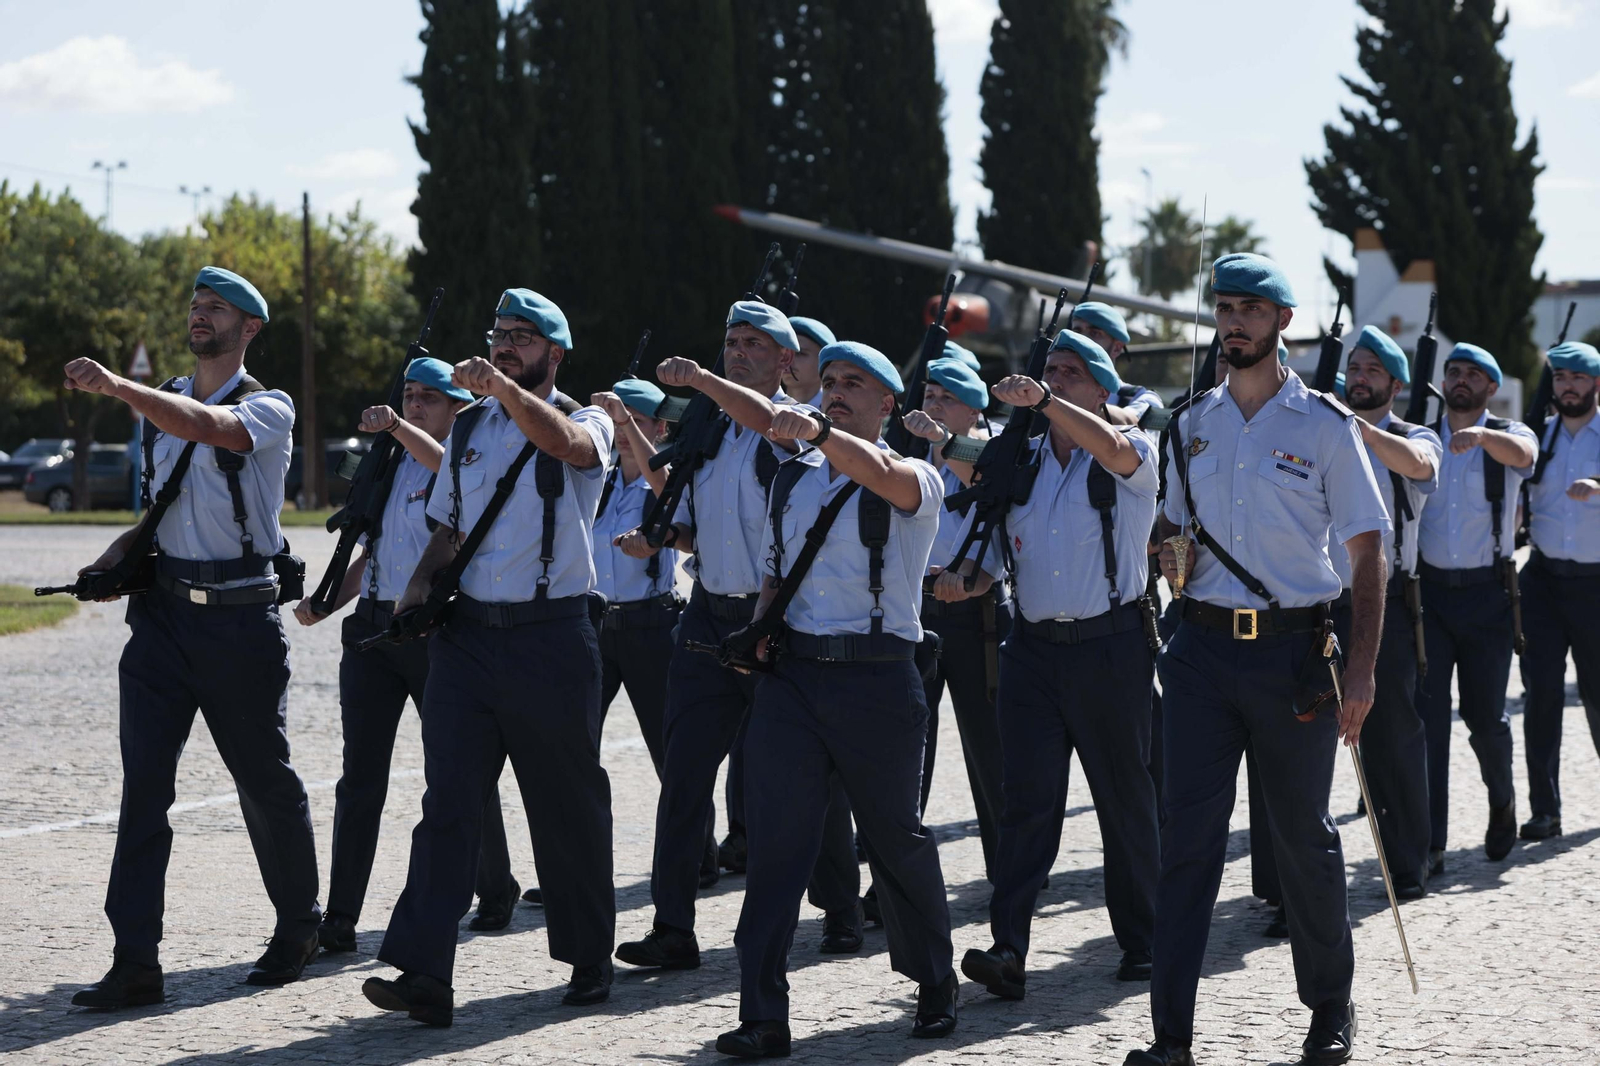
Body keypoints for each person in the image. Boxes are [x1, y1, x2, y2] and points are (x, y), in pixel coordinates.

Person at [1126, 253, 1389, 1066]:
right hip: (1201, 652)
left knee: (1303, 840)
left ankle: (1330, 1013)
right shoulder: (1188, 423)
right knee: (1187, 844)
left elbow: (1368, 557)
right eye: (1224, 308)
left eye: (1249, 308)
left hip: (1293, 658)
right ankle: (1170, 1039)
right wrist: (1165, 551)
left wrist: (1364, 672)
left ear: (1281, 321)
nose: (1232, 321)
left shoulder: (1325, 426)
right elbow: (1163, 532)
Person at [67, 267, 323, 1006]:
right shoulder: (164, 402)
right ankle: (135, 960)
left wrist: (120, 386)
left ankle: (298, 923)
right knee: (145, 788)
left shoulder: (267, 406)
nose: (199, 314)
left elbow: (210, 430)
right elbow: (160, 510)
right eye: (196, 305)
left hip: (240, 621)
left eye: (217, 308)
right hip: (163, 623)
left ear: (250, 328)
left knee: (262, 779)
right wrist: (114, 560)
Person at [361, 288, 616, 1025]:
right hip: (468, 639)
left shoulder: (587, 419)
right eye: (499, 333)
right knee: (447, 807)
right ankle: (424, 974)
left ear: (554, 354)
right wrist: (413, 596)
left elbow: (566, 448)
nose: (505, 345)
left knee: (566, 805)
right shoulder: (469, 426)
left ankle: (588, 955)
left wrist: (503, 386)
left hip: (552, 636)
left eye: (522, 337)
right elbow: (447, 527)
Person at [716, 341, 958, 1057]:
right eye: (828, 383)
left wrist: (822, 434)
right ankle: (763, 1014)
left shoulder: (916, 475)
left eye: (855, 383)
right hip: (794, 680)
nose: (836, 392)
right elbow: (773, 572)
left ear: (889, 404)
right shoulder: (792, 482)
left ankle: (935, 981)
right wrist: (759, 633)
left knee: (895, 839)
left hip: (877, 679)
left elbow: (879, 472)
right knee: (776, 848)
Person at [612, 302, 861, 973]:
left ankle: (842, 908)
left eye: (755, 343)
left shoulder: (789, 425)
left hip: (774, 623)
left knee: (802, 776)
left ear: (786, 362)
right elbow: (692, 521)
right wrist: (660, 533)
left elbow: (757, 415)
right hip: (707, 614)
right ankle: (673, 926)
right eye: (730, 341)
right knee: (684, 774)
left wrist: (699, 380)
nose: (738, 351)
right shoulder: (710, 426)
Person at [292, 357, 524, 947]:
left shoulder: (460, 464)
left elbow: (440, 463)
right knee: (359, 777)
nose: (416, 404)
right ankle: (341, 916)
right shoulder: (389, 462)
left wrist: (398, 425)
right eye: (410, 395)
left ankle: (495, 887)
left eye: (429, 398)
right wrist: (328, 601)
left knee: (456, 770)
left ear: (457, 409)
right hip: (372, 633)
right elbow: (371, 557)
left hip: (430, 633)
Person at [958, 329, 1162, 1000]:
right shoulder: (1018, 457)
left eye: (1072, 373)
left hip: (1112, 648)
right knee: (1027, 807)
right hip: (1033, 653)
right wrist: (963, 581)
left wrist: (1047, 400)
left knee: (1123, 801)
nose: (1056, 380)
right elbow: (990, 554)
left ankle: (1143, 940)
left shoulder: (1132, 450)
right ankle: (1008, 946)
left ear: (1103, 391)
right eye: (1050, 370)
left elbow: (1116, 448)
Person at [1414, 343, 1538, 875]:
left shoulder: (1511, 434)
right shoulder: (1420, 439)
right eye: (1453, 372)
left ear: (1491, 387)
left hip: (1489, 597)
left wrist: (1484, 437)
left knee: (1485, 717)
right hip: (1432, 598)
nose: (1460, 380)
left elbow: (1526, 459)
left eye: (1473, 374)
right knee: (1429, 719)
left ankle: (1503, 797)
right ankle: (1431, 842)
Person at [1333, 326, 1440, 897]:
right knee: (1285, 737)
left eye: (1373, 369)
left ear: (1395, 383)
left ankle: (1405, 865)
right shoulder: (1327, 428)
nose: (1359, 375)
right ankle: (1282, 890)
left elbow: (1419, 463)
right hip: (1318, 602)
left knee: (1392, 736)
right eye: (1354, 365)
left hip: (1387, 604)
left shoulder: (1409, 436)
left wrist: (1361, 431)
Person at [898, 356, 1009, 883]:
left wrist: (942, 438)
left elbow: (986, 483)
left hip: (976, 618)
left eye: (946, 398)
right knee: (907, 747)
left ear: (972, 409)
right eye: (929, 395)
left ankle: (1005, 870)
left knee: (990, 752)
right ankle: (894, 875)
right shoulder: (909, 459)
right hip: (915, 611)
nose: (932, 405)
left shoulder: (985, 452)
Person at [1518, 341, 1600, 841]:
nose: (1567, 387)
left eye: (1578, 378)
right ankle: (1544, 810)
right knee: (1540, 699)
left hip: (1596, 585)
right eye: (1560, 378)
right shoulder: (1537, 438)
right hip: (1543, 581)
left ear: (1596, 384)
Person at [588, 378, 685, 765]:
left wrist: (621, 420)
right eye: (616, 421)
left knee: (671, 751)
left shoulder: (671, 479)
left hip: (651, 628)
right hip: (595, 625)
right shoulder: (597, 479)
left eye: (636, 421)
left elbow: (665, 490)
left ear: (661, 429)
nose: (623, 431)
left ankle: (694, 829)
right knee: (575, 742)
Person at [1069, 300, 1163, 425]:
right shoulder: (1055, 387)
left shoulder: (1143, 399)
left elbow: (1133, 424)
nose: (1081, 340)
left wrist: (1055, 402)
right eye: (1077, 332)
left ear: (1117, 348)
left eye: (1095, 333)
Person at [783, 316, 837, 407]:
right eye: (784, 353)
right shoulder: (766, 408)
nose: (788, 360)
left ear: (825, 363)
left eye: (800, 353)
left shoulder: (836, 412)